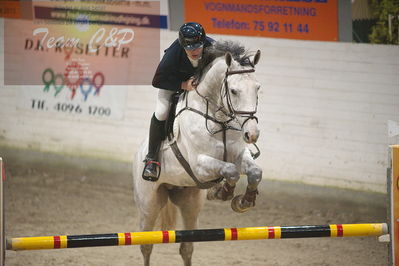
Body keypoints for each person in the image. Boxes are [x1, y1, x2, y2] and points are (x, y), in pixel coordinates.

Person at [142, 22, 214, 181]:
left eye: (198, 46)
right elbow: (157, 81)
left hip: (198, 87)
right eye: (189, 47)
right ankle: (152, 159)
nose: (194, 50)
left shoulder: (212, 47)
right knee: (161, 112)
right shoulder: (173, 54)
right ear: (182, 45)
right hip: (172, 84)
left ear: (204, 41)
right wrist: (183, 85)